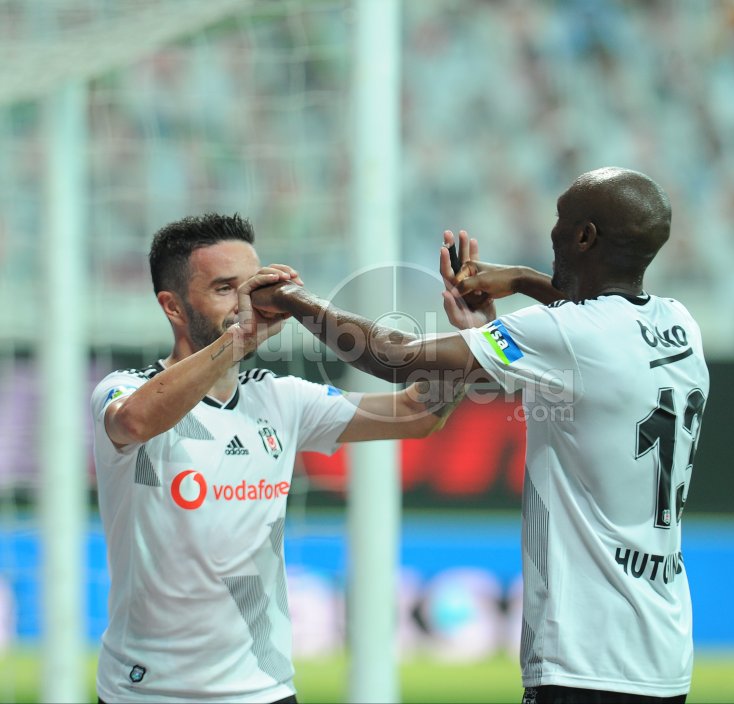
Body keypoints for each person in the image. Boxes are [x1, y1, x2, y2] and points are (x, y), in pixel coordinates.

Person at [244, 167, 710, 704]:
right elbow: (596, 323)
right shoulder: (680, 324)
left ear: (585, 237)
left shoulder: (569, 335)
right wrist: (517, 284)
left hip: (588, 657)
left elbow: (399, 358)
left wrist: (296, 301)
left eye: (561, 220)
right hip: (664, 647)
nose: (551, 232)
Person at [90, 213, 463, 704]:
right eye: (225, 288)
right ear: (173, 306)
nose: (246, 301)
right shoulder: (123, 389)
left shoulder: (279, 397)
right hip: (147, 691)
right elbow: (136, 422)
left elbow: (420, 413)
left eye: (253, 285)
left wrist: (473, 338)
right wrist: (238, 341)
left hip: (264, 690)